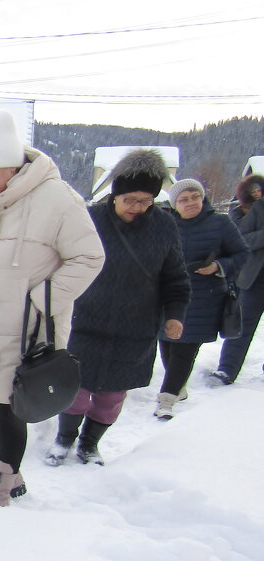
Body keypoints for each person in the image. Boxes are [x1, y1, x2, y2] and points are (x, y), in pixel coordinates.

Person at [0, 110, 104, 525]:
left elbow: (90, 256)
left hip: (29, 331)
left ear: (11, 164)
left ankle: (5, 486)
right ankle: (9, 473)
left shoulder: (56, 198)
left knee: (10, 407)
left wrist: (43, 298)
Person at [45, 149, 190, 466]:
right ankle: (63, 439)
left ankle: (89, 444)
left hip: (135, 329)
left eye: (145, 202)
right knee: (75, 390)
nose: (138, 208)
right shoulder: (89, 219)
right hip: (83, 322)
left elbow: (176, 277)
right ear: (115, 196)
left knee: (111, 396)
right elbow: (60, 261)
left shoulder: (164, 226)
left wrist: (175, 315)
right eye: (130, 201)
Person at [154, 178, 248, 419]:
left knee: (185, 348)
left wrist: (218, 265)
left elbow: (242, 253)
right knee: (167, 345)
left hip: (203, 298)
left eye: (195, 197)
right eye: (184, 200)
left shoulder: (221, 223)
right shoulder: (164, 224)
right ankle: (178, 388)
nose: (191, 203)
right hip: (169, 296)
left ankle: (166, 400)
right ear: (174, 204)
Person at [213, 174, 264, 385]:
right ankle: (226, 370)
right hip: (254, 277)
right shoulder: (247, 210)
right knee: (243, 325)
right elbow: (241, 239)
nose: (257, 193)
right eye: (253, 190)